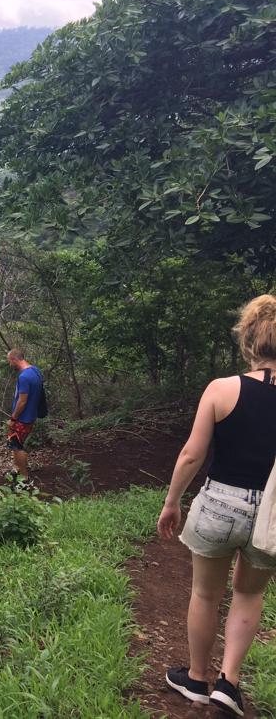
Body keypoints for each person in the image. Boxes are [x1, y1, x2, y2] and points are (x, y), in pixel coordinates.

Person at [158, 295, 276, 717]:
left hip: (219, 504)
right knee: (248, 595)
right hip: (271, 516)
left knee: (206, 593)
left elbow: (191, 454)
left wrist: (172, 502)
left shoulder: (222, 389)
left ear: (248, 339)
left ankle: (196, 678)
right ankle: (229, 683)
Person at [6, 349, 42, 482]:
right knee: (16, 443)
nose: (10, 364)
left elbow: (22, 401)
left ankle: (24, 478)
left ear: (15, 359)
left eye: (10, 361)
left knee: (16, 445)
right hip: (31, 416)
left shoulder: (24, 377)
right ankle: (16, 469)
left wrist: (13, 418)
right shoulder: (35, 371)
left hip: (23, 418)